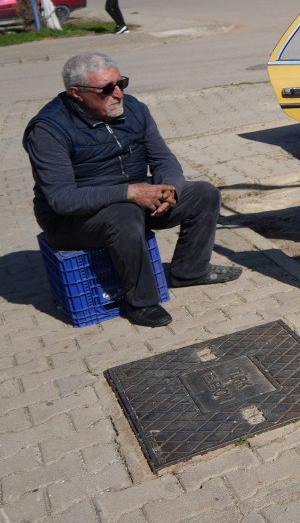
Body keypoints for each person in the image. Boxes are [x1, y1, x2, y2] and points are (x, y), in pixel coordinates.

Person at [23, 52, 242, 327]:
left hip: (134, 200)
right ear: (76, 93)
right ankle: (141, 302)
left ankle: (190, 272)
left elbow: (163, 159)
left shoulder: (135, 109)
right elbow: (62, 199)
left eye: (120, 83)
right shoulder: (48, 129)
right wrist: (131, 193)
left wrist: (169, 188)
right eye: (106, 88)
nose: (118, 93)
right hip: (71, 220)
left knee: (204, 193)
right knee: (124, 216)